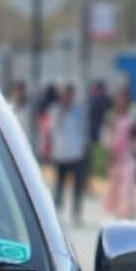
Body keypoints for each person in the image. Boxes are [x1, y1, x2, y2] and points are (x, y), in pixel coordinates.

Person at [50, 83, 87, 223]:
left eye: (69, 95)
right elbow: (52, 129)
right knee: (59, 185)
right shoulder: (55, 110)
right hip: (60, 154)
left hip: (76, 154)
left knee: (77, 186)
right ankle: (56, 212)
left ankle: (76, 212)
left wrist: (83, 149)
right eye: (65, 95)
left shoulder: (79, 111)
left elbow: (83, 130)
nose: (67, 97)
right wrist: (62, 113)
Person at [102, 87, 136, 219]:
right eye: (119, 100)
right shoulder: (112, 117)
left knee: (127, 186)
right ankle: (115, 213)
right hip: (115, 157)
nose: (121, 103)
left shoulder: (132, 119)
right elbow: (108, 136)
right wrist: (109, 153)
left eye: (124, 100)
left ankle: (126, 213)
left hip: (128, 157)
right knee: (114, 186)